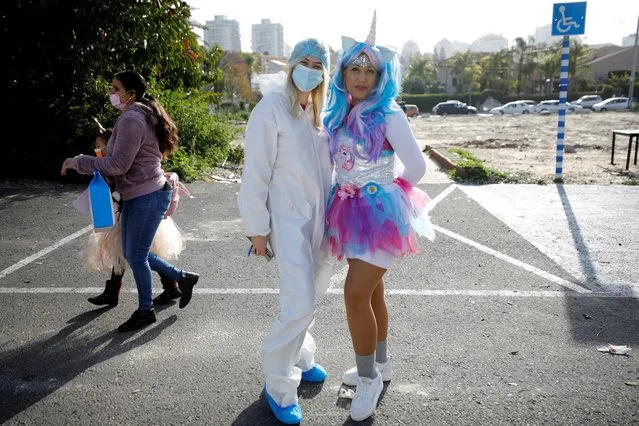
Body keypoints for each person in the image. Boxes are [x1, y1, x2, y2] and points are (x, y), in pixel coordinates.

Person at [323, 13, 435, 422]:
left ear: (381, 76)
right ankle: (380, 365)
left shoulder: (389, 115)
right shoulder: (340, 113)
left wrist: (384, 191)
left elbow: (418, 169)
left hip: (379, 214)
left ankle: (368, 378)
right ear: (344, 71)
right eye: (355, 68)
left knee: (354, 294)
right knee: (371, 294)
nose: (362, 77)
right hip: (348, 211)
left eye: (370, 71)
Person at [237, 38, 334, 425]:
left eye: (318, 65)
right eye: (304, 62)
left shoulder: (317, 113)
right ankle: (278, 384)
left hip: (321, 222)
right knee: (299, 303)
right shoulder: (272, 108)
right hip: (288, 222)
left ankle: (301, 354)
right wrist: (256, 230)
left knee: (314, 292)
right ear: (292, 65)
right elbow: (255, 174)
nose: (310, 69)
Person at [61, 71, 199, 332]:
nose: (111, 93)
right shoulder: (138, 115)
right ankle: (182, 278)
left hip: (146, 195)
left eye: (115, 88)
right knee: (136, 254)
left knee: (135, 256)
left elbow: (117, 164)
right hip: (144, 193)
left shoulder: (132, 119)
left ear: (130, 93)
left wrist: (77, 161)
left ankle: (146, 310)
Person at [84, 129, 186, 308]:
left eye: (100, 146)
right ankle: (114, 291)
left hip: (138, 211)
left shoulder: (121, 162)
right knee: (124, 250)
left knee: (138, 252)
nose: (97, 150)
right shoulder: (110, 164)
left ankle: (172, 282)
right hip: (126, 212)